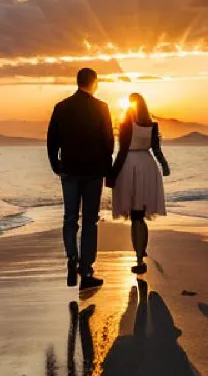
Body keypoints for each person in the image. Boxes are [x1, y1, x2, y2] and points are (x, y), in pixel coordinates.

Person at [47, 68, 114, 290]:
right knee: (90, 221)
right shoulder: (101, 108)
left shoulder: (61, 107)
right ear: (94, 83)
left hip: (69, 169)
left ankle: (71, 258)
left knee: (69, 218)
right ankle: (86, 270)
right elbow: (108, 142)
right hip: (93, 171)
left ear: (78, 82)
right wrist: (109, 169)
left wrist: (55, 164)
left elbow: (52, 139)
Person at [108, 93, 170, 274]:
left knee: (136, 216)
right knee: (140, 215)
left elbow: (122, 151)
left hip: (130, 166)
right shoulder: (152, 125)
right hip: (147, 165)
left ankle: (139, 259)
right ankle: (140, 253)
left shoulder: (127, 124)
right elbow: (157, 150)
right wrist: (164, 166)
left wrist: (112, 174)